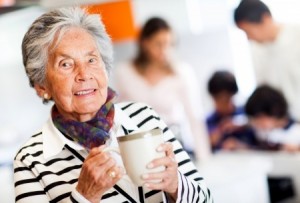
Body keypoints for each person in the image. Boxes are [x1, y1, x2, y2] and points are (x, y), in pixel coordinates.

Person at [13, 7, 213, 203]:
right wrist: (84, 197)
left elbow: (206, 199)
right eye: (66, 64)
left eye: (92, 59)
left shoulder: (144, 117)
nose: (84, 74)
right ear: (41, 86)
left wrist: (176, 185)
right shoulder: (30, 160)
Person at [114, 17, 210, 160]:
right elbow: (117, 114)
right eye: (158, 44)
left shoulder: (181, 73)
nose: (165, 50)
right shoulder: (124, 72)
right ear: (145, 43)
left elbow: (194, 116)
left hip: (173, 144)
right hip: (137, 146)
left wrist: (204, 157)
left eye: (169, 44)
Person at [234, 0, 300, 120]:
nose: (248, 38)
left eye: (248, 31)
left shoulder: (297, 36)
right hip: (287, 123)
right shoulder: (257, 51)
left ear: (266, 18)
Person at [206, 70, 257, 152]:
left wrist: (240, 146)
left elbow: (259, 146)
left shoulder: (247, 114)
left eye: (228, 99)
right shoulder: (209, 121)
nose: (225, 104)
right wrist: (220, 130)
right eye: (220, 99)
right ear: (213, 98)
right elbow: (205, 146)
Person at [245, 85, 300, 152]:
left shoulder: (296, 130)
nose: (256, 124)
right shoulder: (261, 133)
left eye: (259, 118)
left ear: (275, 111)